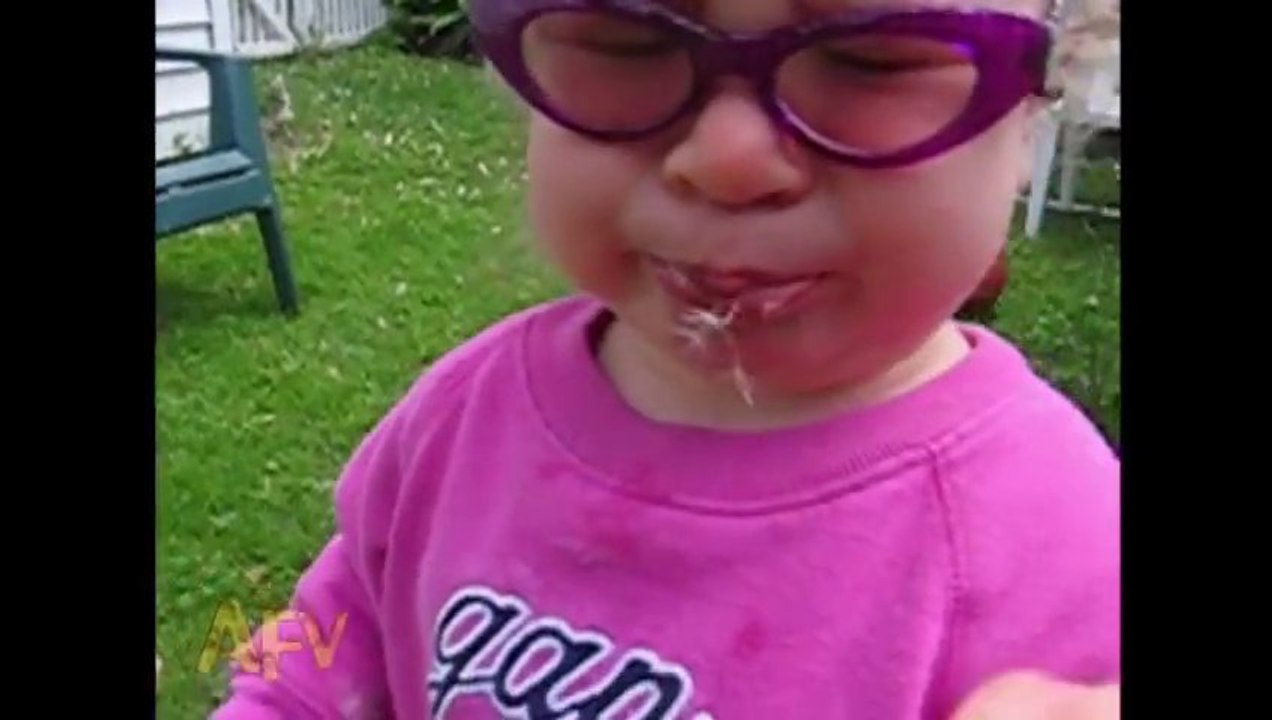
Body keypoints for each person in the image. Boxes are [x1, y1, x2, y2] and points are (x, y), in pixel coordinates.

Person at [211, 0, 1120, 717]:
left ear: (1046, 95)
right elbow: (333, 637)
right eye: (619, 40)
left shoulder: (1064, 548)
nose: (726, 158)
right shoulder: (463, 416)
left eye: (871, 60)